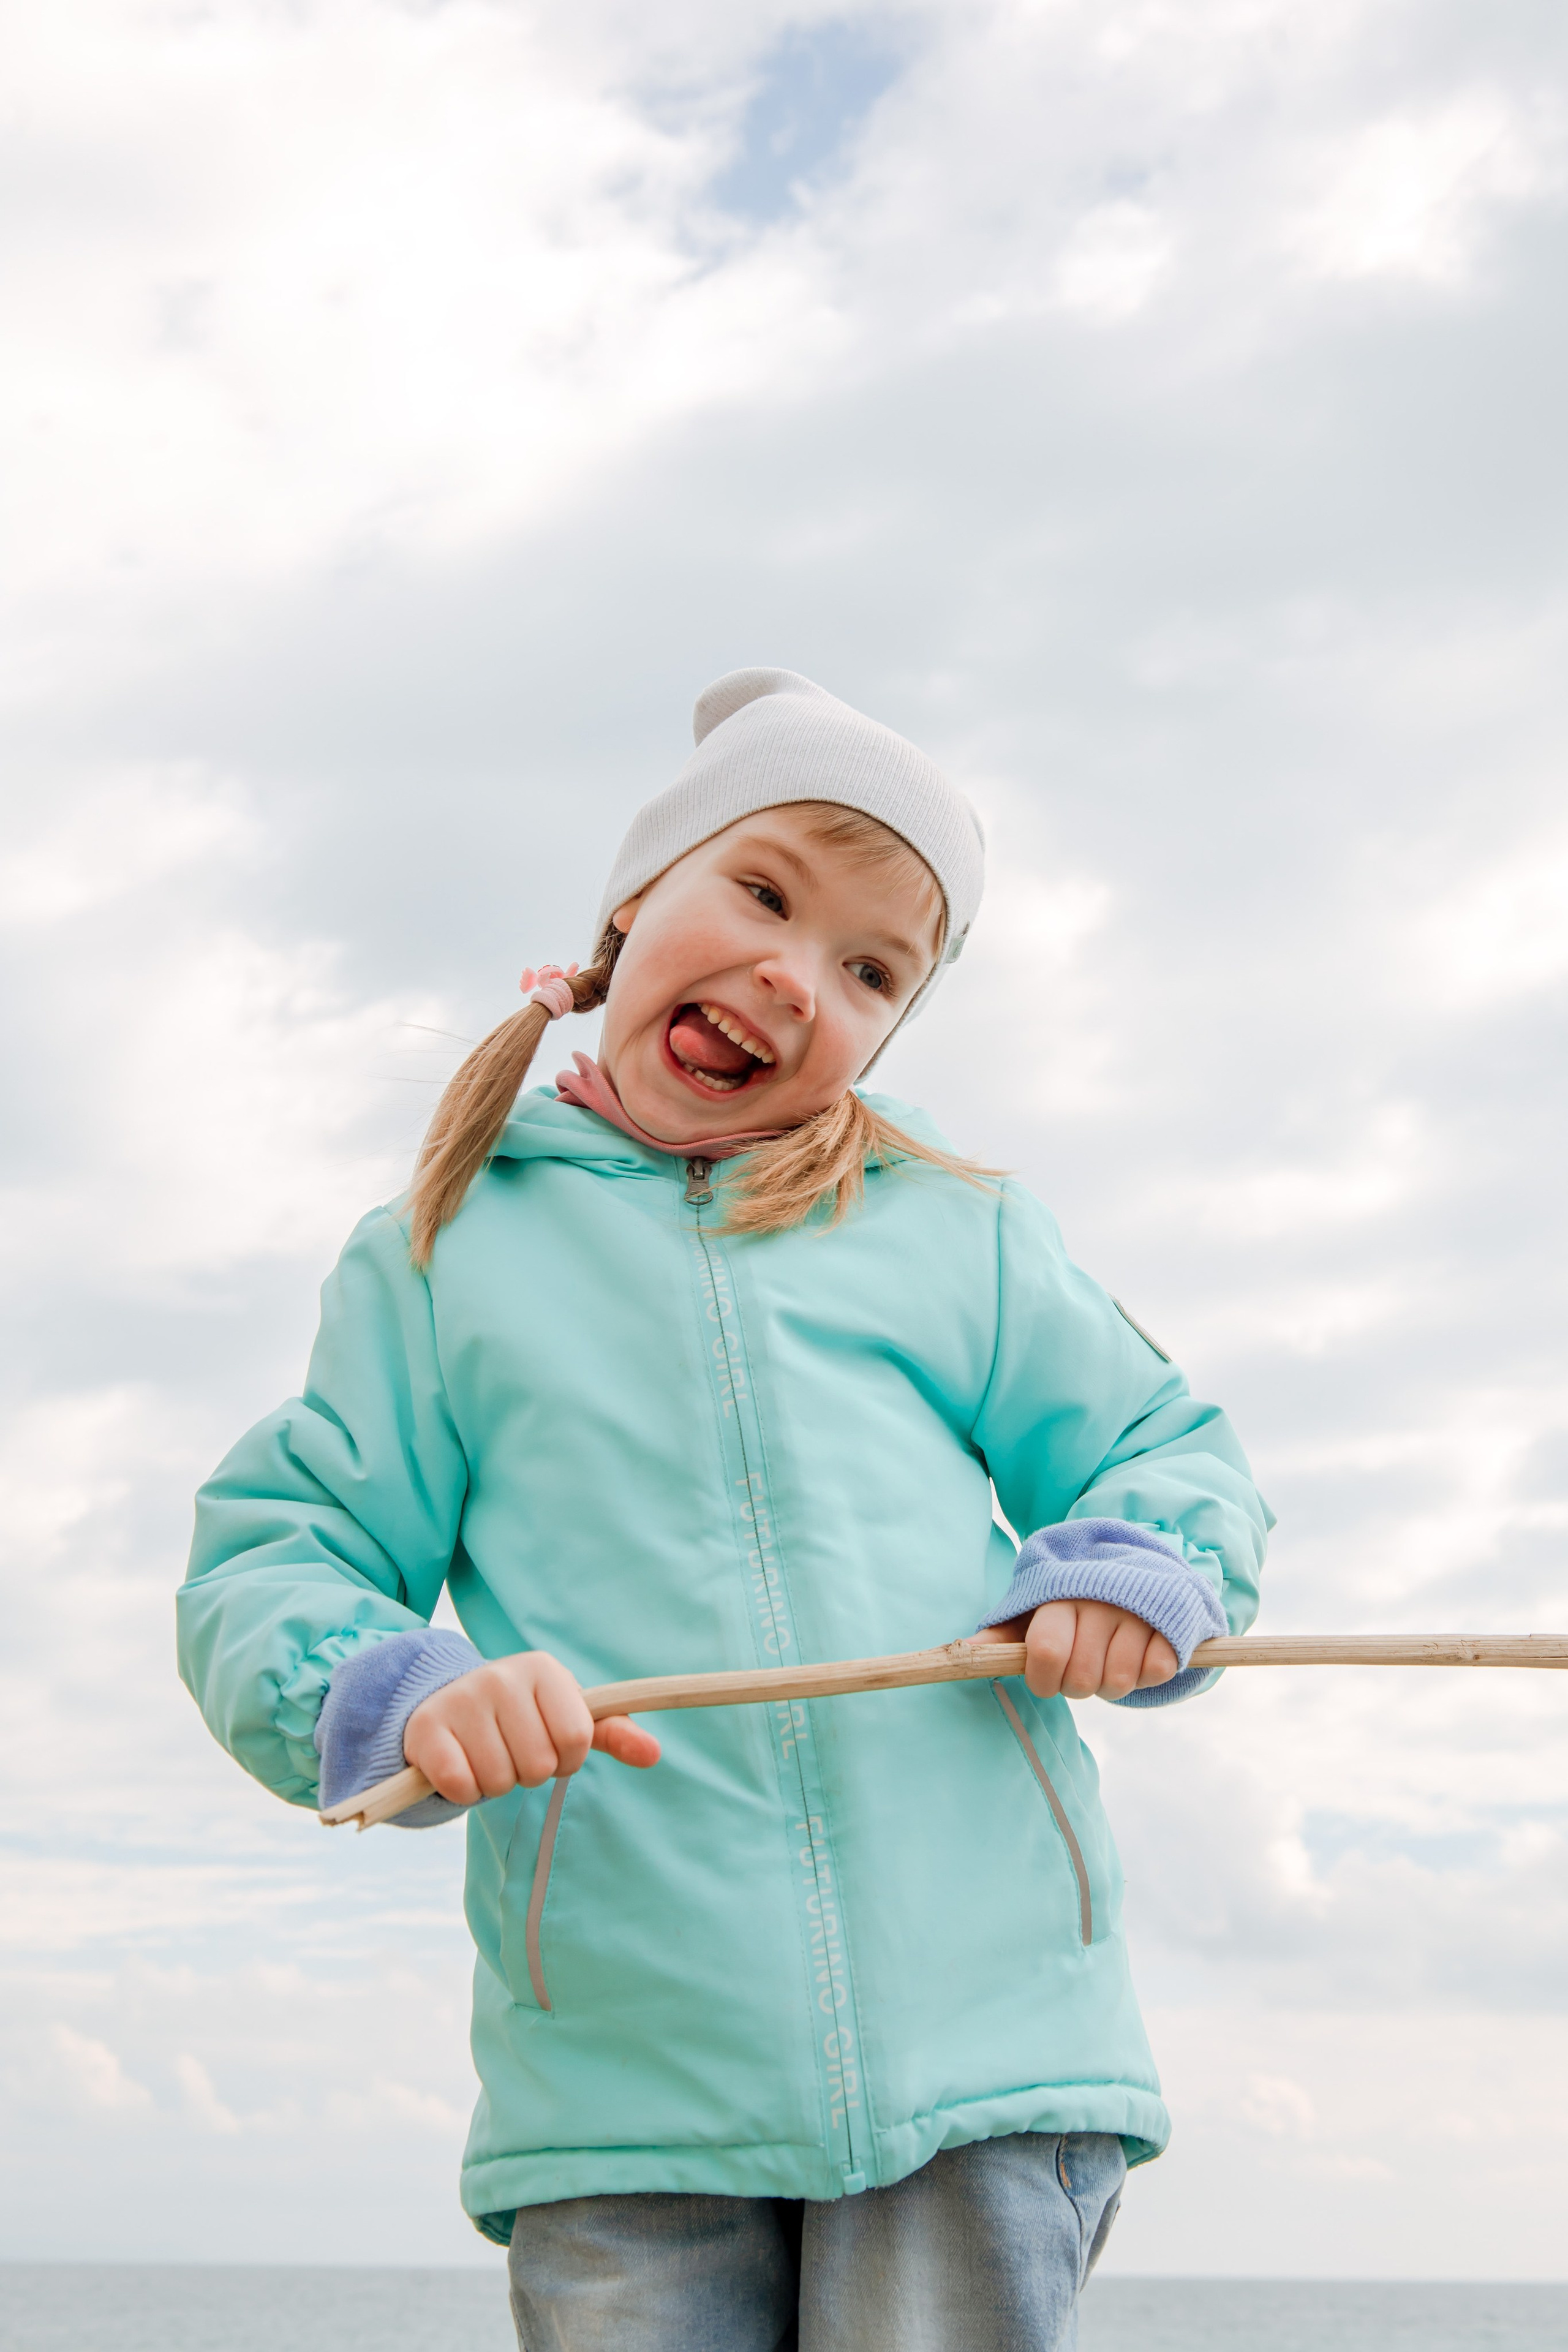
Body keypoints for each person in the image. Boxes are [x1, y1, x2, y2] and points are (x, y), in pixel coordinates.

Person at [178, 668, 1270, 2351]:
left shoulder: (951, 1227)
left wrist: (1133, 1571)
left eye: (871, 970)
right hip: (627, 2090)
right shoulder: (442, 1256)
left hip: (982, 2056)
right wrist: (404, 1697)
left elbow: (1160, 1444)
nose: (795, 975)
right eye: (763, 893)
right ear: (632, 902)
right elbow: (280, 1552)